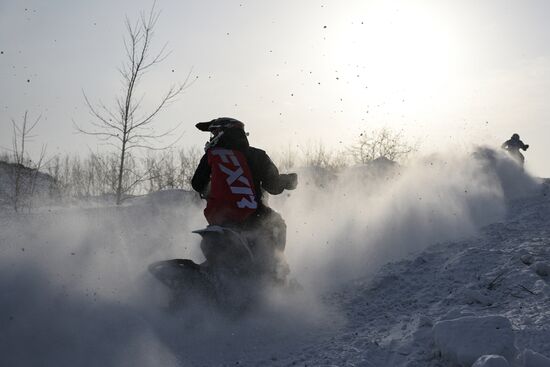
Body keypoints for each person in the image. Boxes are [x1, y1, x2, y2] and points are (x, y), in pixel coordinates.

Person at [191, 117, 297, 283]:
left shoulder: (212, 156)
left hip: (221, 223)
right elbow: (273, 185)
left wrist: (212, 188)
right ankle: (276, 271)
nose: (211, 139)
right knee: (277, 223)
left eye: (214, 133)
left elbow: (197, 184)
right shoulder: (257, 155)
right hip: (256, 220)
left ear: (223, 133)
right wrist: (289, 181)